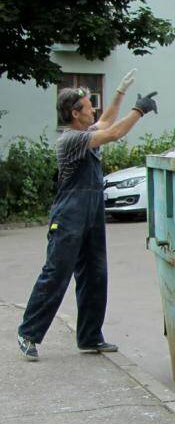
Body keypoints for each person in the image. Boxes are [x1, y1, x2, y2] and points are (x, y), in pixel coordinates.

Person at [17, 70, 158, 361]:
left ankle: (90, 336)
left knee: (95, 275)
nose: (93, 109)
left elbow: (106, 122)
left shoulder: (86, 133)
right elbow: (115, 131)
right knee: (57, 274)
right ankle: (28, 333)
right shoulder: (70, 140)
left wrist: (119, 92)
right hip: (69, 215)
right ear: (74, 113)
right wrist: (139, 110)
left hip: (91, 214)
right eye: (88, 105)